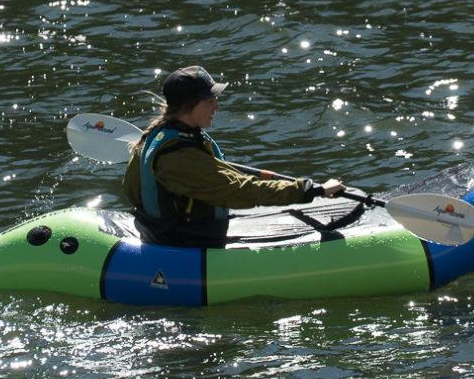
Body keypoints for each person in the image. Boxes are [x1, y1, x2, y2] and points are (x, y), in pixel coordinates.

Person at [121, 66, 346, 247]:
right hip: (187, 245)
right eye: (210, 101)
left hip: (162, 233)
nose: (216, 106)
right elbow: (239, 190)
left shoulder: (156, 136)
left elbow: (132, 190)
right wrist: (312, 190)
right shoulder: (178, 156)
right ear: (189, 105)